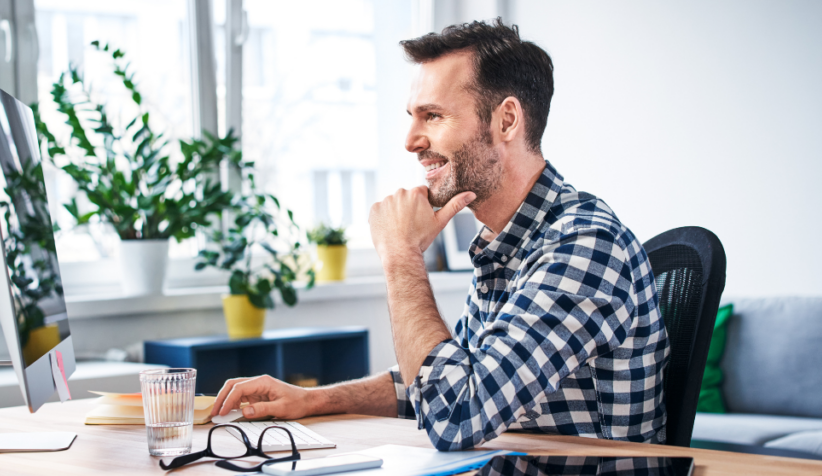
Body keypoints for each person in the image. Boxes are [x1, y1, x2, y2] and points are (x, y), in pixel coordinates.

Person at [211, 19, 670, 451]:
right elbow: (442, 384)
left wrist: (401, 255)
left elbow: (454, 414)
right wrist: (314, 400)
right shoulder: (508, 244)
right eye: (413, 116)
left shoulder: (583, 246)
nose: (411, 140)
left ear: (506, 120)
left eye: (432, 116)